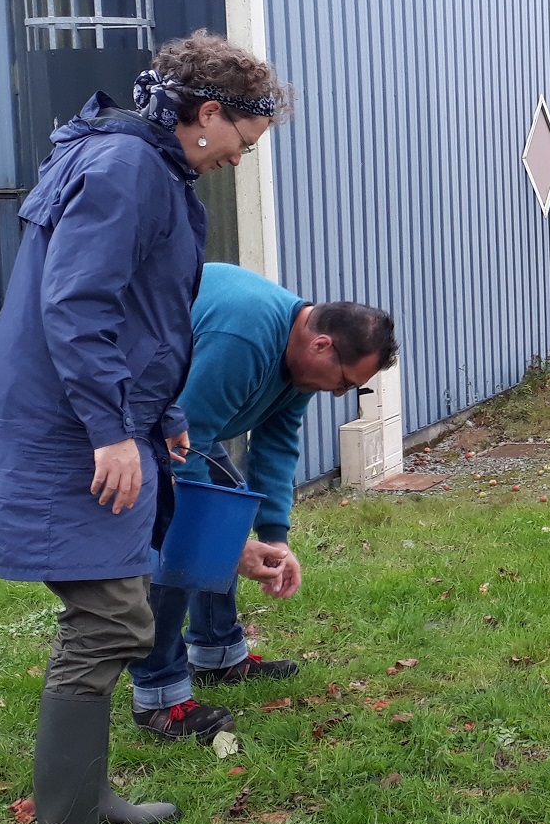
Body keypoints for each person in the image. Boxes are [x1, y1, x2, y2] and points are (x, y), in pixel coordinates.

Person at [0, 33, 285, 824]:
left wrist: (165, 416)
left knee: (116, 603)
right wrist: (113, 429)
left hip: (98, 419)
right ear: (210, 112)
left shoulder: (143, 163)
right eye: (243, 140)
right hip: (64, 428)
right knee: (109, 619)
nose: (240, 157)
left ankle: (89, 796)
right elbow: (77, 302)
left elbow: (146, 311)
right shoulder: (128, 169)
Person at [128, 265, 399, 741]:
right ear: (322, 344)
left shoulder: (300, 358)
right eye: (341, 381)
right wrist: (224, 547)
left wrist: (274, 536)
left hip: (189, 429)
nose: (337, 393)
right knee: (179, 542)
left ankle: (216, 656)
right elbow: (181, 447)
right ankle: (158, 698)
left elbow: (275, 444)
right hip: (139, 426)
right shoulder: (246, 339)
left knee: (225, 510)